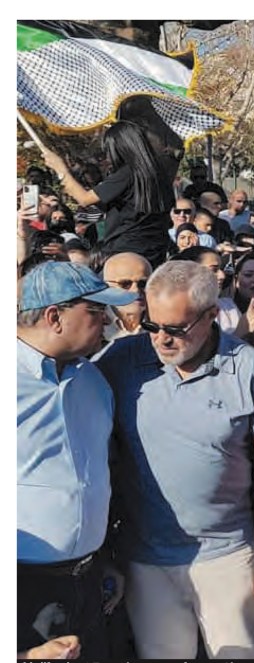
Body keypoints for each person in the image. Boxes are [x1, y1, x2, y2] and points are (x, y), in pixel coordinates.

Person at [95, 260, 254, 658]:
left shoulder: (251, 370)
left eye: (176, 329)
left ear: (211, 315)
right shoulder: (122, 360)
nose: (161, 339)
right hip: (145, 559)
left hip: (227, 556)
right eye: (152, 325)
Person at [18, 262, 136, 658]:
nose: (108, 321)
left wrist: (102, 557)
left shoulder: (93, 381)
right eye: (96, 311)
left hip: (87, 579)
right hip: (21, 585)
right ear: (54, 316)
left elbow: (95, 476)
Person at [41, 121, 174, 268]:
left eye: (109, 151)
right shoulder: (158, 175)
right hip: (154, 250)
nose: (108, 157)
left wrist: (61, 169)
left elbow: (85, 199)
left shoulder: (128, 173)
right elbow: (126, 208)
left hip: (124, 250)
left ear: (120, 148)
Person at [101, 251, 152, 345]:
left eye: (143, 284)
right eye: (125, 284)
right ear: (106, 285)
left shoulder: (160, 323)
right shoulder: (94, 322)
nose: (136, 290)